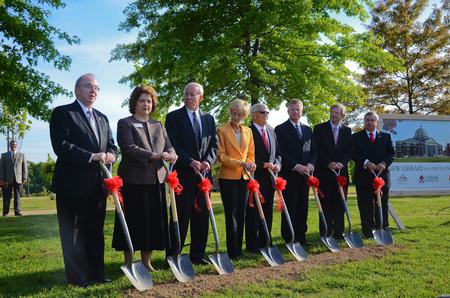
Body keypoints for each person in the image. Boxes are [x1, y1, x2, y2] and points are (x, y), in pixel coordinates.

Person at [49, 73, 118, 287]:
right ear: (77, 90)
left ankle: (97, 273)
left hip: (98, 185)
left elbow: (112, 146)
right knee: (73, 233)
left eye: (97, 87)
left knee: (95, 231)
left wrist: (111, 155)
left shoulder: (103, 118)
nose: (93, 91)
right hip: (71, 185)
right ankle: (77, 277)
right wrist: (92, 156)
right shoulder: (63, 113)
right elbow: (61, 146)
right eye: (88, 86)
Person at [112, 85, 177, 271]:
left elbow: (169, 146)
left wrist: (172, 154)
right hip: (133, 181)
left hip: (156, 181)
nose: (146, 104)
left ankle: (147, 263)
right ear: (135, 103)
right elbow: (128, 148)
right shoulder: (125, 123)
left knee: (151, 224)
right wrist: (156, 155)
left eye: (149, 101)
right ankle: (129, 261)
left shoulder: (159, 124)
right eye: (142, 100)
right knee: (132, 222)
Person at [165, 82, 218, 265]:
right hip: (183, 176)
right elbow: (172, 144)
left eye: (193, 95)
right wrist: (189, 161)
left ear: (201, 98)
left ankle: (198, 254)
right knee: (180, 214)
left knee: (202, 216)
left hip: (204, 177)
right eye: (186, 94)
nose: (188, 97)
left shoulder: (209, 119)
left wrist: (208, 162)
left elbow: (214, 146)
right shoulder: (173, 117)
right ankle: (173, 254)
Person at [217, 99, 256, 258]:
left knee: (242, 213)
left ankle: (239, 249)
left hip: (245, 177)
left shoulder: (248, 131)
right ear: (230, 112)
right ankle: (233, 251)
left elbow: (251, 154)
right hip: (228, 177)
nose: (236, 117)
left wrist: (251, 164)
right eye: (234, 113)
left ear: (245, 116)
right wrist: (240, 163)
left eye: (240, 114)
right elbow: (221, 156)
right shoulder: (222, 130)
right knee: (231, 213)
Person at [275, 99, 316, 246]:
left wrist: (311, 164)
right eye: (292, 109)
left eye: (298, 109)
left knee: (302, 207)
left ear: (302, 111)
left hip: (305, 175)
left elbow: (313, 150)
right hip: (289, 174)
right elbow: (281, 152)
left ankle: (301, 236)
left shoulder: (307, 129)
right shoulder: (280, 129)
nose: (295, 112)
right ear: (288, 111)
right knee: (290, 206)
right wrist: (296, 165)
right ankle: (289, 237)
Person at [352, 111, 395, 238]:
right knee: (365, 205)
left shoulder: (386, 137)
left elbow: (392, 153)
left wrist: (383, 163)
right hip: (363, 177)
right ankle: (368, 231)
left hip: (382, 176)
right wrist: (366, 162)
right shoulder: (356, 137)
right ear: (364, 122)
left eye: (372, 120)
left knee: (382, 204)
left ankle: (382, 227)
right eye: (367, 120)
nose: (369, 122)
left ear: (377, 122)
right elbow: (353, 153)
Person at [245, 103, 281, 253]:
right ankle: (252, 245)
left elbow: (278, 153)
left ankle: (266, 241)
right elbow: (246, 155)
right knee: (253, 212)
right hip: (254, 177)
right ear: (254, 115)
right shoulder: (248, 131)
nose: (266, 114)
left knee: (267, 211)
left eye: (267, 112)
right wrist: (262, 165)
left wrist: (277, 164)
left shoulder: (271, 131)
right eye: (262, 112)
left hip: (270, 178)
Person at [313, 103, 352, 239]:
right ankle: (325, 232)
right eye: (332, 112)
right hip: (324, 172)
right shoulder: (319, 129)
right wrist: (328, 163)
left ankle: (339, 232)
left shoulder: (347, 131)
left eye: (337, 112)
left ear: (342, 115)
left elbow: (348, 151)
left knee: (340, 202)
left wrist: (341, 163)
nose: (333, 114)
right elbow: (316, 150)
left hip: (341, 173)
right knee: (325, 204)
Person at [0, 140, 28, 216]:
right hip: (6, 180)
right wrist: (1, 179)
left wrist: (24, 177)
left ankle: (17, 212)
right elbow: (1, 168)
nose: (13, 146)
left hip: (18, 179)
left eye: (14, 145)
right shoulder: (4, 155)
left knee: (17, 197)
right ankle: (5, 213)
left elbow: (24, 167)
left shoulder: (22, 155)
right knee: (6, 197)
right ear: (9, 146)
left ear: (17, 146)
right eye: (12, 145)